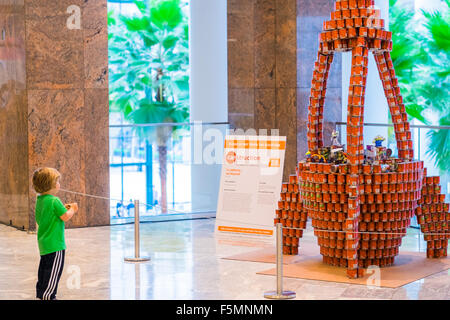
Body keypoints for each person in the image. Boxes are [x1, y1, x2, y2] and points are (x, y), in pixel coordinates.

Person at [32, 168, 78, 300]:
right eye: (57, 181)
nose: (59, 184)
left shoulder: (40, 199)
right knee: (53, 272)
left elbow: (45, 216)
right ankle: (49, 296)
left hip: (44, 243)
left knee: (44, 269)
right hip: (55, 244)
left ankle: (42, 294)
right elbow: (65, 217)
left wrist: (63, 209)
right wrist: (73, 209)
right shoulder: (54, 200)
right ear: (51, 184)